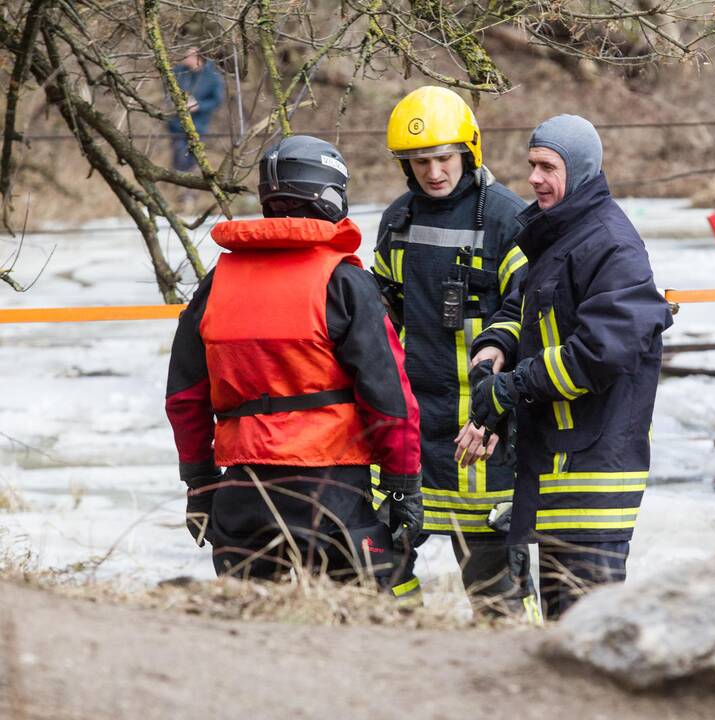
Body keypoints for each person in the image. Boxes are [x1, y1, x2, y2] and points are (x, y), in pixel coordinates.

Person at [165, 135, 423, 597]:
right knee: (362, 619)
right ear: (331, 196)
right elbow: (390, 398)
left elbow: (184, 398)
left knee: (253, 628)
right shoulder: (344, 281)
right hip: (331, 491)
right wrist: (403, 486)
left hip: (240, 491)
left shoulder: (216, 283)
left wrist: (200, 483)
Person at [456, 114, 672, 620]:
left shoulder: (612, 246)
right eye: (531, 165)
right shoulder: (558, 236)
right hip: (558, 471)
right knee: (562, 633)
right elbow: (521, 310)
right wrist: (493, 350)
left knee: (589, 632)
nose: (533, 178)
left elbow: (601, 354)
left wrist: (512, 389)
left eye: (546, 167)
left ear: (578, 171)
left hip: (594, 477)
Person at [372, 86, 537, 619]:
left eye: (443, 158)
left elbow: (525, 311)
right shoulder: (396, 223)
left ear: (468, 151)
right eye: (419, 161)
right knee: (380, 558)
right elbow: (379, 318)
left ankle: (518, 669)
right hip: (413, 429)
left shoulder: (510, 219)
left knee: (496, 582)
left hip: (484, 434)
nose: (433, 172)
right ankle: (404, 647)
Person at [166, 47, 224, 172]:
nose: (185, 58)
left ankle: (191, 185)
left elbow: (217, 100)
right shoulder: (177, 72)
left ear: (199, 59)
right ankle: (178, 180)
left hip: (200, 124)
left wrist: (199, 106)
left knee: (195, 156)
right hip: (177, 124)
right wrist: (176, 105)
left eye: (189, 56)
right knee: (179, 154)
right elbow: (167, 94)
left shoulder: (212, 77)